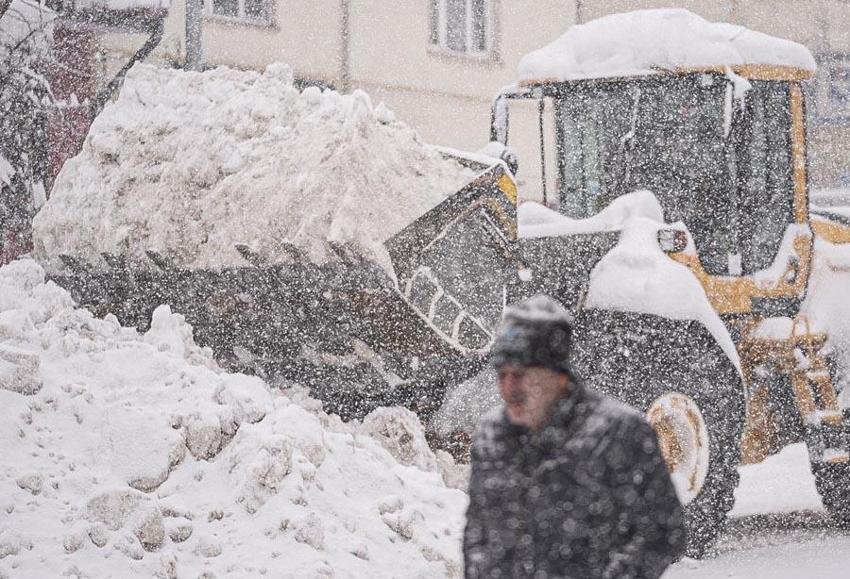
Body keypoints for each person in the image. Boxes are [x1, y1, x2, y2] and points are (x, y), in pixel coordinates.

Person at [463, 294, 685, 579]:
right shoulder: (491, 436)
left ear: (558, 374)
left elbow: (663, 530)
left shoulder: (619, 432)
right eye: (501, 375)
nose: (508, 389)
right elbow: (477, 532)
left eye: (520, 375)